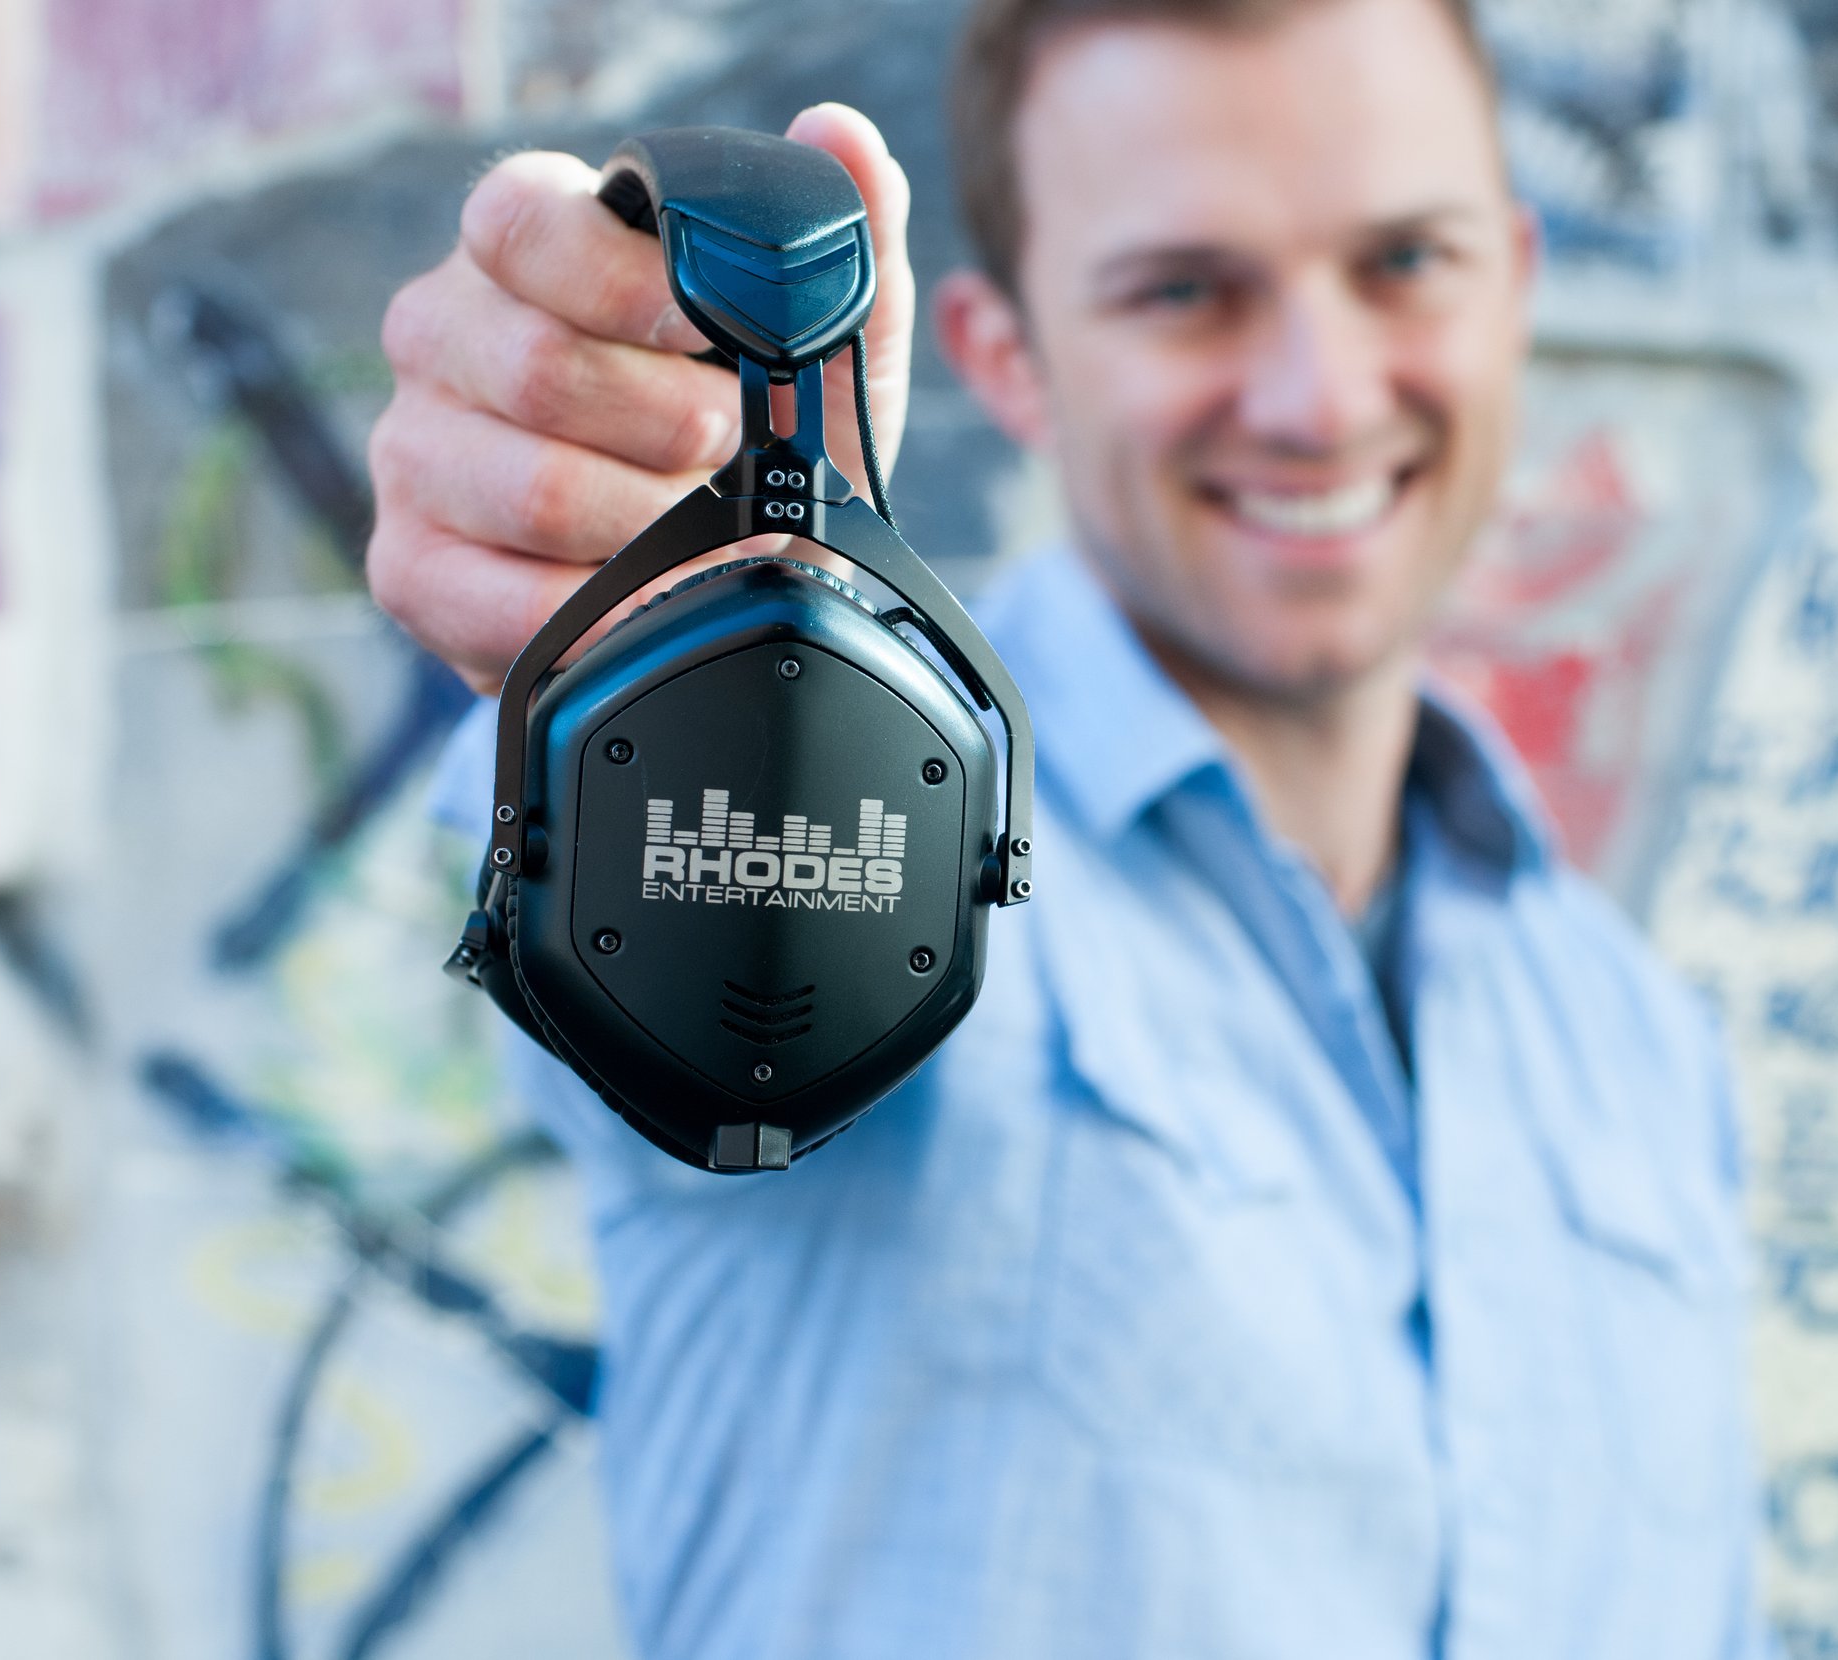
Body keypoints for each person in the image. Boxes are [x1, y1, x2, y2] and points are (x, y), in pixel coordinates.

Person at [368, 0, 1766, 1653]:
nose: (1319, 397)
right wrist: (634, 553)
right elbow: (704, 883)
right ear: (1006, 357)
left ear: (1514, 285)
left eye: (1405, 262)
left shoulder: (1635, 1041)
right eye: (1185, 291)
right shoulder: (882, 841)